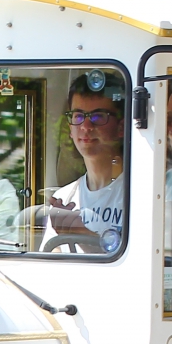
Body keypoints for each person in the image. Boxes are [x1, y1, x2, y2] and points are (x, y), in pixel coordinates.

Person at [44, 74, 127, 253]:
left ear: (121, 127)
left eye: (98, 117)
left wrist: (85, 237)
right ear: (70, 129)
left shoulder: (143, 195)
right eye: (78, 116)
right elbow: (49, 267)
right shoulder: (64, 198)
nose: (86, 126)